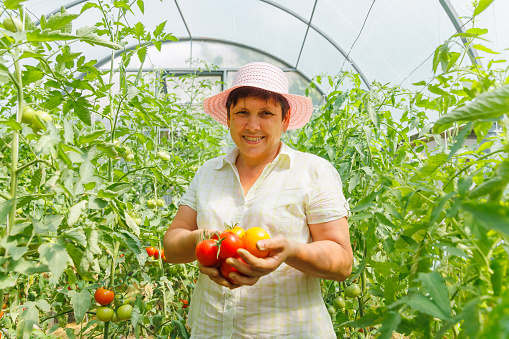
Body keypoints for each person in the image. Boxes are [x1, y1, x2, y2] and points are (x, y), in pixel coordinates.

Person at [163, 62, 353, 338]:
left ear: (285, 120)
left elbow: (342, 262)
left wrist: (290, 251)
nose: (252, 125)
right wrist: (197, 241)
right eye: (242, 112)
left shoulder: (313, 172)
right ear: (228, 118)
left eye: (266, 113)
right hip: (212, 329)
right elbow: (171, 246)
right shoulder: (208, 172)